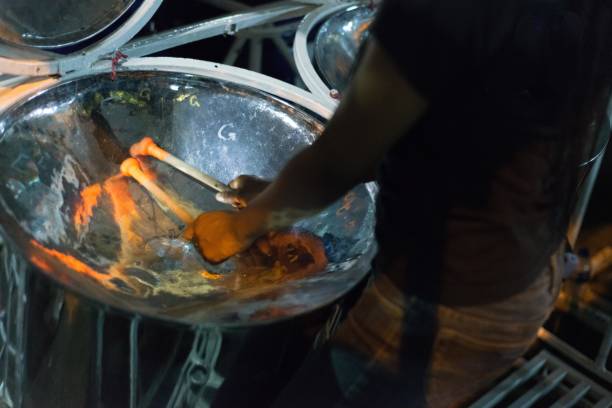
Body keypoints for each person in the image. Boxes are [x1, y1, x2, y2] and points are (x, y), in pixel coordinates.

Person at [185, 0, 612, 405]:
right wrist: (275, 194)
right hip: (523, 270)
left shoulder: (439, 12)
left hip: (444, 310)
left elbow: (339, 161)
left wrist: (236, 230)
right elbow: (458, 123)